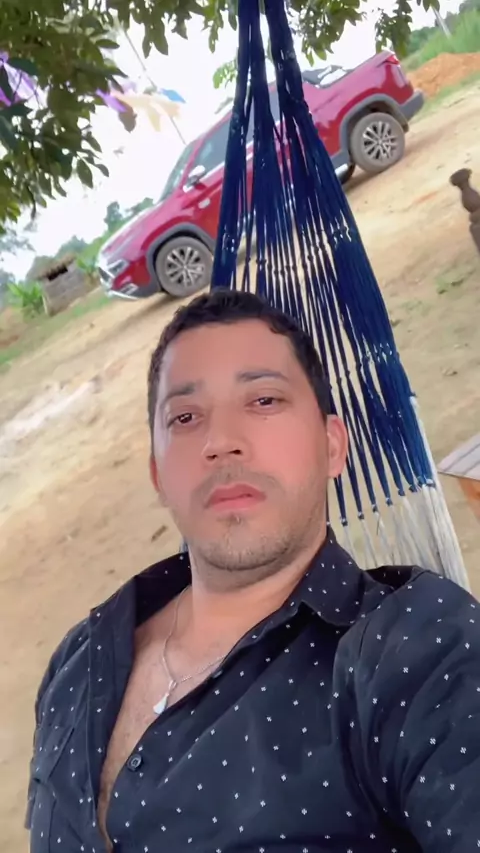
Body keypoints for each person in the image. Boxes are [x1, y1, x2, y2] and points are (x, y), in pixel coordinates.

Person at [26, 289, 480, 853]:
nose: (220, 442)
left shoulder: (417, 652)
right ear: (158, 474)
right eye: (185, 417)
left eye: (263, 400)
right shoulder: (78, 661)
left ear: (332, 446)